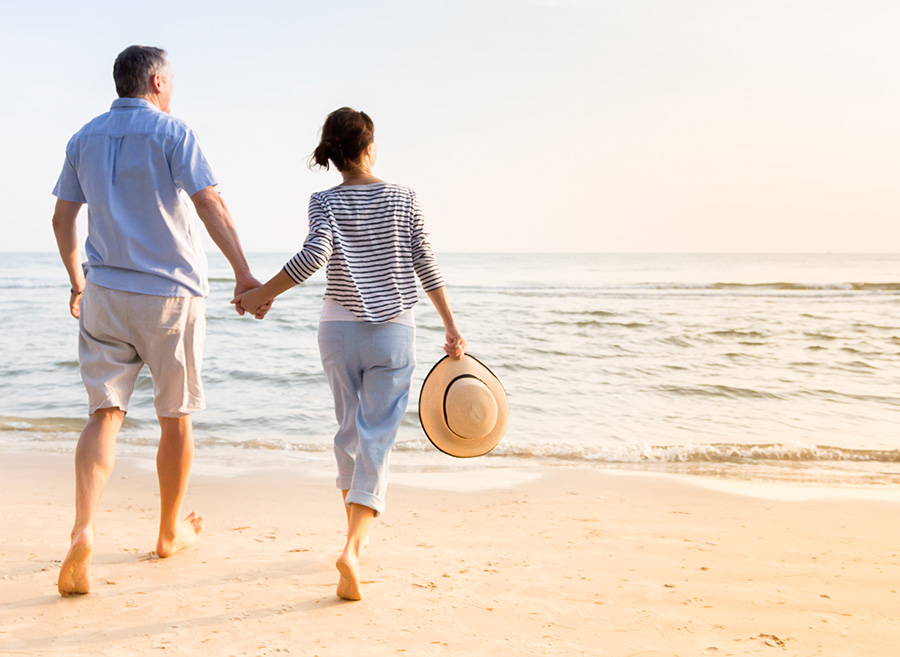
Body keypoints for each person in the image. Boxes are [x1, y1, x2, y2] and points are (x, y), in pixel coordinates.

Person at [51, 45, 267, 596]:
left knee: (105, 413)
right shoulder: (174, 134)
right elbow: (210, 204)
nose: (173, 92)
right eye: (171, 83)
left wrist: (78, 280)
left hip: (104, 292)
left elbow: (62, 218)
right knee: (176, 415)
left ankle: (83, 528)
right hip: (171, 295)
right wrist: (243, 274)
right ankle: (169, 533)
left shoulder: (83, 137)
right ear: (155, 81)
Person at [233, 107, 465, 601]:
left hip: (337, 329)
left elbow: (315, 256)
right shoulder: (404, 197)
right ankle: (352, 549)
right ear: (369, 146)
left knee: (348, 433)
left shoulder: (323, 201)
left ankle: (350, 543)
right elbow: (425, 261)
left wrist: (262, 294)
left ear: (334, 154)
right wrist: (450, 324)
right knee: (376, 438)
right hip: (392, 332)